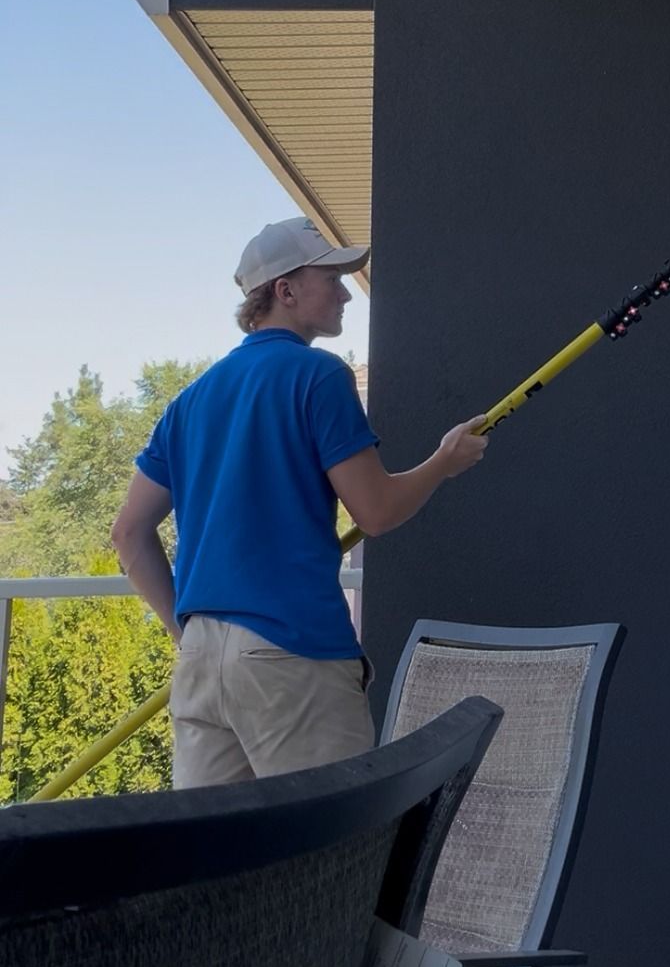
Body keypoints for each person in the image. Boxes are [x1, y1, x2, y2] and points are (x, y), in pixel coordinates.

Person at [110, 216, 488, 787]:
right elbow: (377, 512)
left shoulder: (191, 401)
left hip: (200, 663)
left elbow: (128, 534)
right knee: (329, 857)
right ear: (284, 291)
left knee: (219, 865)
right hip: (292, 657)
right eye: (329, 278)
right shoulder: (317, 376)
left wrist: (188, 634)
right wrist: (443, 462)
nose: (343, 293)